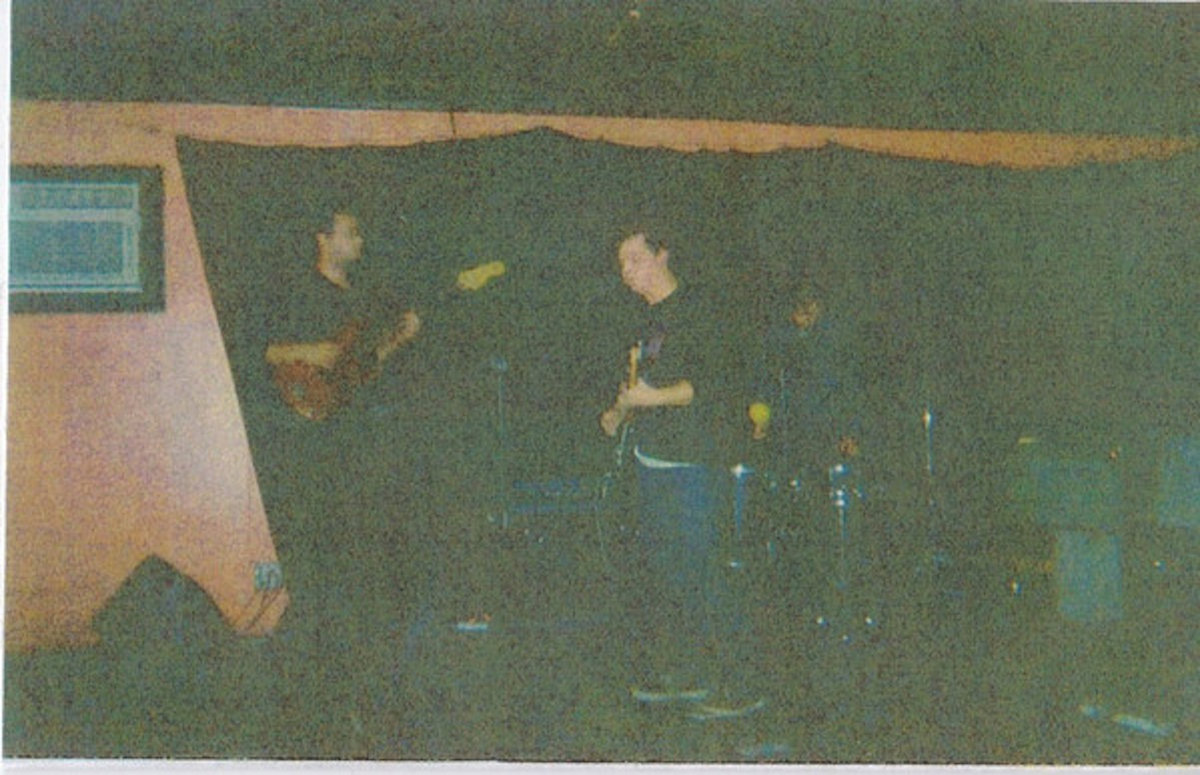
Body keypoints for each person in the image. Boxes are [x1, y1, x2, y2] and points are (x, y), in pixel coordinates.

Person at [600, 229, 763, 720]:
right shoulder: (647, 324)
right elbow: (639, 387)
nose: (627, 272)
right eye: (621, 264)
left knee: (707, 573)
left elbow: (712, 384)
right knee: (671, 577)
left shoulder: (698, 311)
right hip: (653, 462)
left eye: (635, 259)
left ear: (663, 255)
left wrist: (651, 398)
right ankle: (692, 672)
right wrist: (619, 412)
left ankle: (741, 683)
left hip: (693, 464)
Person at [265, 211, 421, 421]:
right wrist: (306, 352)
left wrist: (397, 341)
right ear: (323, 240)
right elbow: (262, 351)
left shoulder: (368, 294)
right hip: (305, 412)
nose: (360, 240)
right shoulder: (298, 292)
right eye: (351, 234)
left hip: (353, 410)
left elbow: (363, 367)